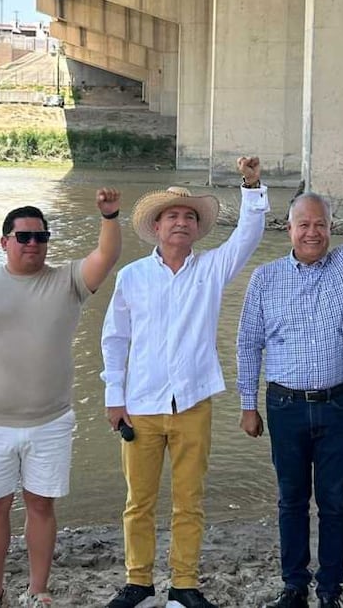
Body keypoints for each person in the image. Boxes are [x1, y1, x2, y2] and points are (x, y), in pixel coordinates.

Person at [0, 190, 123, 608]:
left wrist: (110, 216)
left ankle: (38, 590)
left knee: (41, 506)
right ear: (4, 241)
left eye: (41, 237)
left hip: (50, 421)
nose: (33, 244)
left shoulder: (69, 281)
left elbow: (106, 255)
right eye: (24, 237)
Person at [236, 135, 343, 607]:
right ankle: (294, 586)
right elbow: (248, 343)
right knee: (290, 500)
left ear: (330, 228)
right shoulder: (265, 278)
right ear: (288, 228)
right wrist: (247, 404)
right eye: (303, 224)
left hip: (338, 405)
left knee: (334, 503)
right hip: (284, 405)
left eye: (320, 224)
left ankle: (330, 590)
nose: (312, 232)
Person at [101, 157, 269, 608]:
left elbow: (248, 235)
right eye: (172, 216)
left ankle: (184, 584)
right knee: (138, 501)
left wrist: (251, 184)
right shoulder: (132, 277)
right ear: (156, 227)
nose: (180, 222)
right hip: (140, 405)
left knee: (189, 500)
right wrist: (114, 398)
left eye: (189, 217)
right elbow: (114, 339)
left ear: (197, 229)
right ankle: (139, 581)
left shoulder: (213, 269)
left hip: (193, 402)